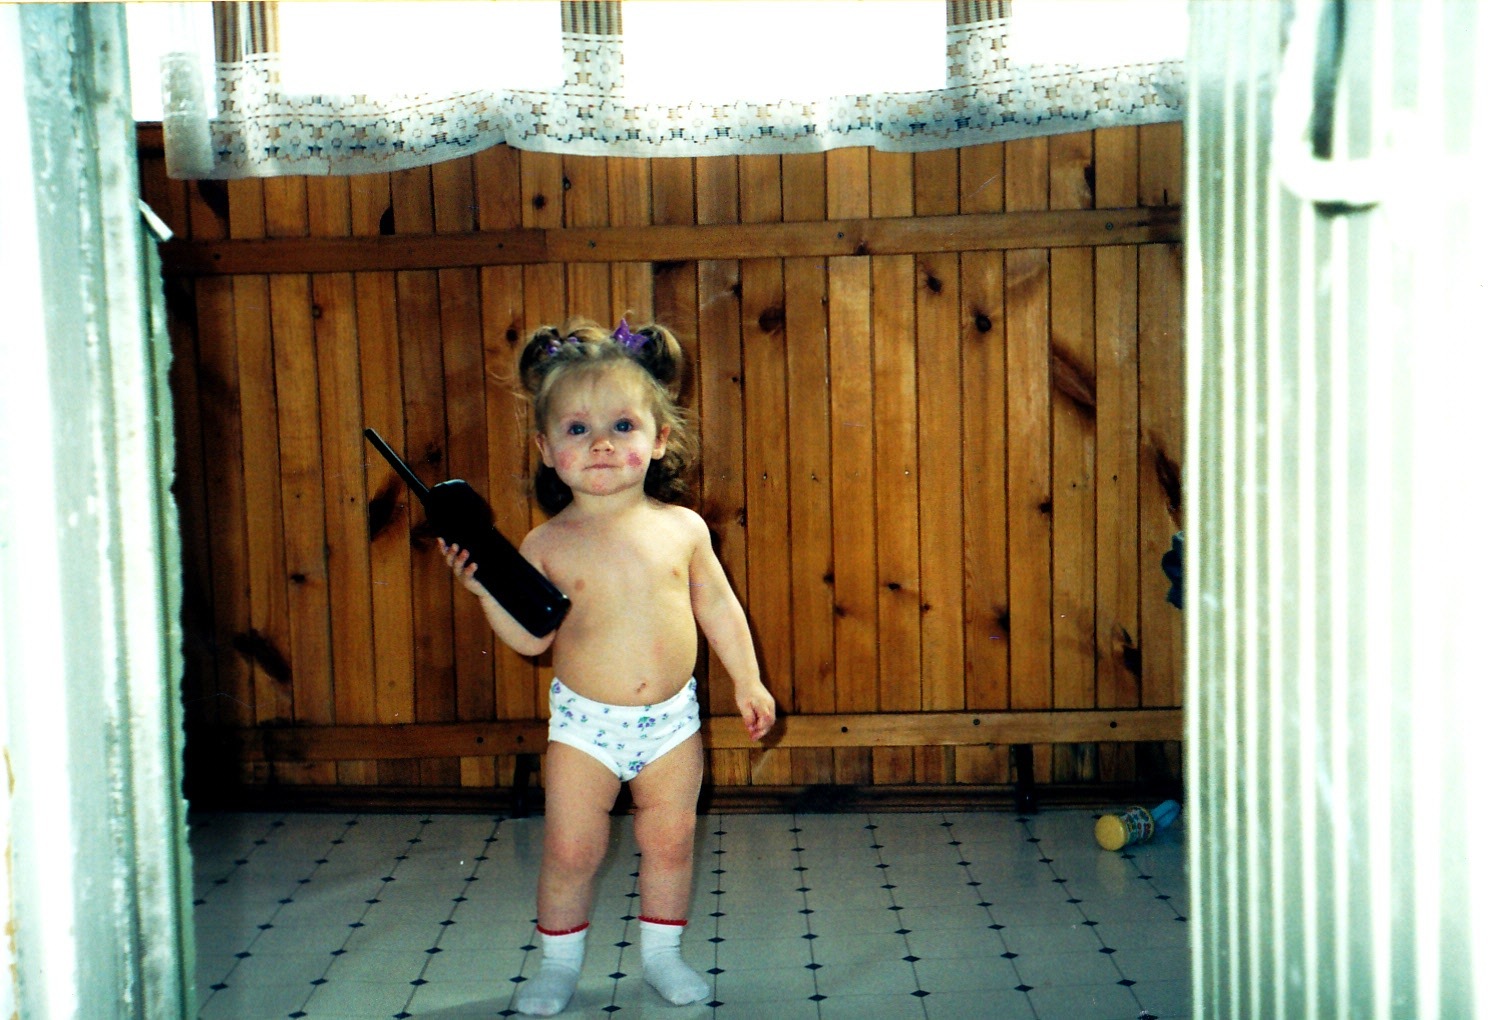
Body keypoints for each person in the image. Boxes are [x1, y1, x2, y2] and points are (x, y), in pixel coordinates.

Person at [438, 317, 776, 1016]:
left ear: (660, 438)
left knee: (670, 841)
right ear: (546, 448)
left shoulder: (682, 529)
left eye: (622, 425)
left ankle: (663, 957)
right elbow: (531, 640)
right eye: (577, 428)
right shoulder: (546, 543)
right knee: (571, 851)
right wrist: (485, 590)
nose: (601, 443)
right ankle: (558, 967)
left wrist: (748, 679)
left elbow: (719, 606)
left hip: (672, 726)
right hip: (584, 728)